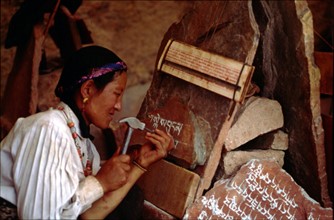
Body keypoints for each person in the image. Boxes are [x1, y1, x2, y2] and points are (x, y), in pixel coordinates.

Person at [0, 45, 174, 219]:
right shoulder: (49, 129)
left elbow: (88, 215)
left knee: (130, 198)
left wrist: (139, 164)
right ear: (88, 89)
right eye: (116, 93)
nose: (119, 106)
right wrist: (100, 182)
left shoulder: (86, 147)